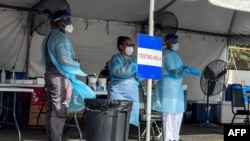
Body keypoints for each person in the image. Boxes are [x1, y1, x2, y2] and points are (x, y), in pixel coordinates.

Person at [40, 10, 95, 141]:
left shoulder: (49, 37)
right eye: (67, 20)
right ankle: (56, 138)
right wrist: (75, 63)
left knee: (52, 110)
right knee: (59, 111)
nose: (70, 23)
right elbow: (64, 60)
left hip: (50, 75)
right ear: (59, 23)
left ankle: (52, 137)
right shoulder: (60, 37)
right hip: (59, 78)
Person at [152, 34, 201, 141]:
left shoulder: (175, 55)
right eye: (174, 41)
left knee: (178, 112)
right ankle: (167, 138)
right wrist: (183, 72)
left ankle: (175, 136)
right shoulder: (166, 54)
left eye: (176, 41)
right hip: (167, 87)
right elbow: (172, 71)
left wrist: (186, 68)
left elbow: (179, 67)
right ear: (168, 42)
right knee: (168, 113)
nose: (176, 43)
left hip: (177, 88)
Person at [107, 36, 140, 126]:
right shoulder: (116, 58)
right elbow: (119, 72)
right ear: (121, 46)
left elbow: (139, 75)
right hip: (118, 91)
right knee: (117, 118)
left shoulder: (134, 59)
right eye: (127, 44)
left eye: (132, 45)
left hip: (132, 92)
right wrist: (133, 67)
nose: (130, 47)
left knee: (129, 118)